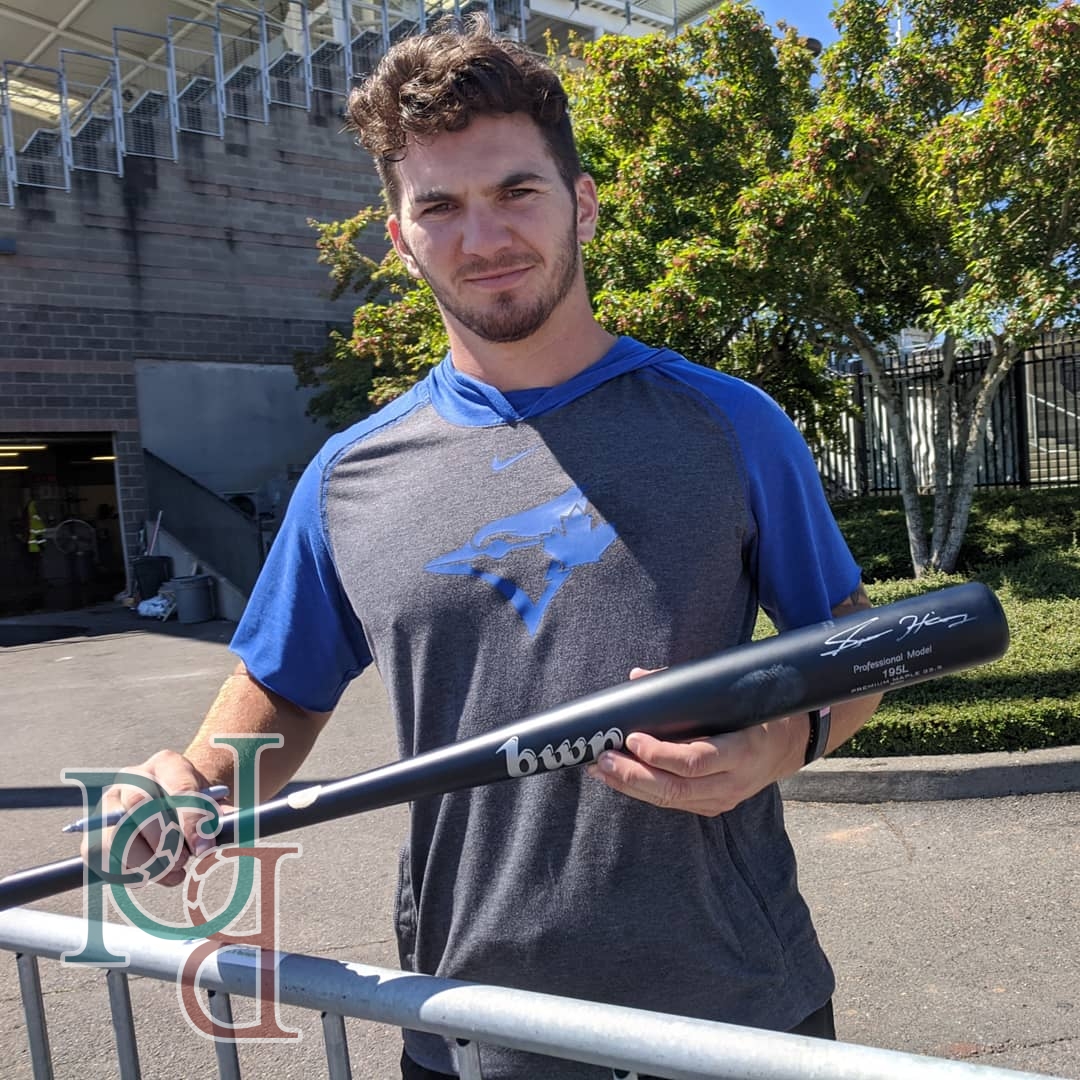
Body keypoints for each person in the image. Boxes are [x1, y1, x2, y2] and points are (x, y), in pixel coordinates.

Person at [92, 17, 881, 1079]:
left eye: (517, 191)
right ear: (400, 238)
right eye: (441, 208)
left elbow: (850, 648)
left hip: (736, 1017)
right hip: (472, 1026)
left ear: (582, 202)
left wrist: (778, 745)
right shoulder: (350, 476)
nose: (484, 237)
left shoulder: (729, 425)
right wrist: (192, 782)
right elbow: (279, 691)